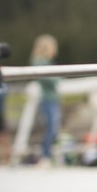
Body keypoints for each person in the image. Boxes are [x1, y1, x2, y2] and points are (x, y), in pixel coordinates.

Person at [30, 34, 61, 167]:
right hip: (47, 100)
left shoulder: (48, 62)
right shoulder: (39, 61)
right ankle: (45, 156)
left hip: (53, 99)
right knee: (50, 128)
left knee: (54, 129)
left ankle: (50, 155)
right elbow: (51, 80)